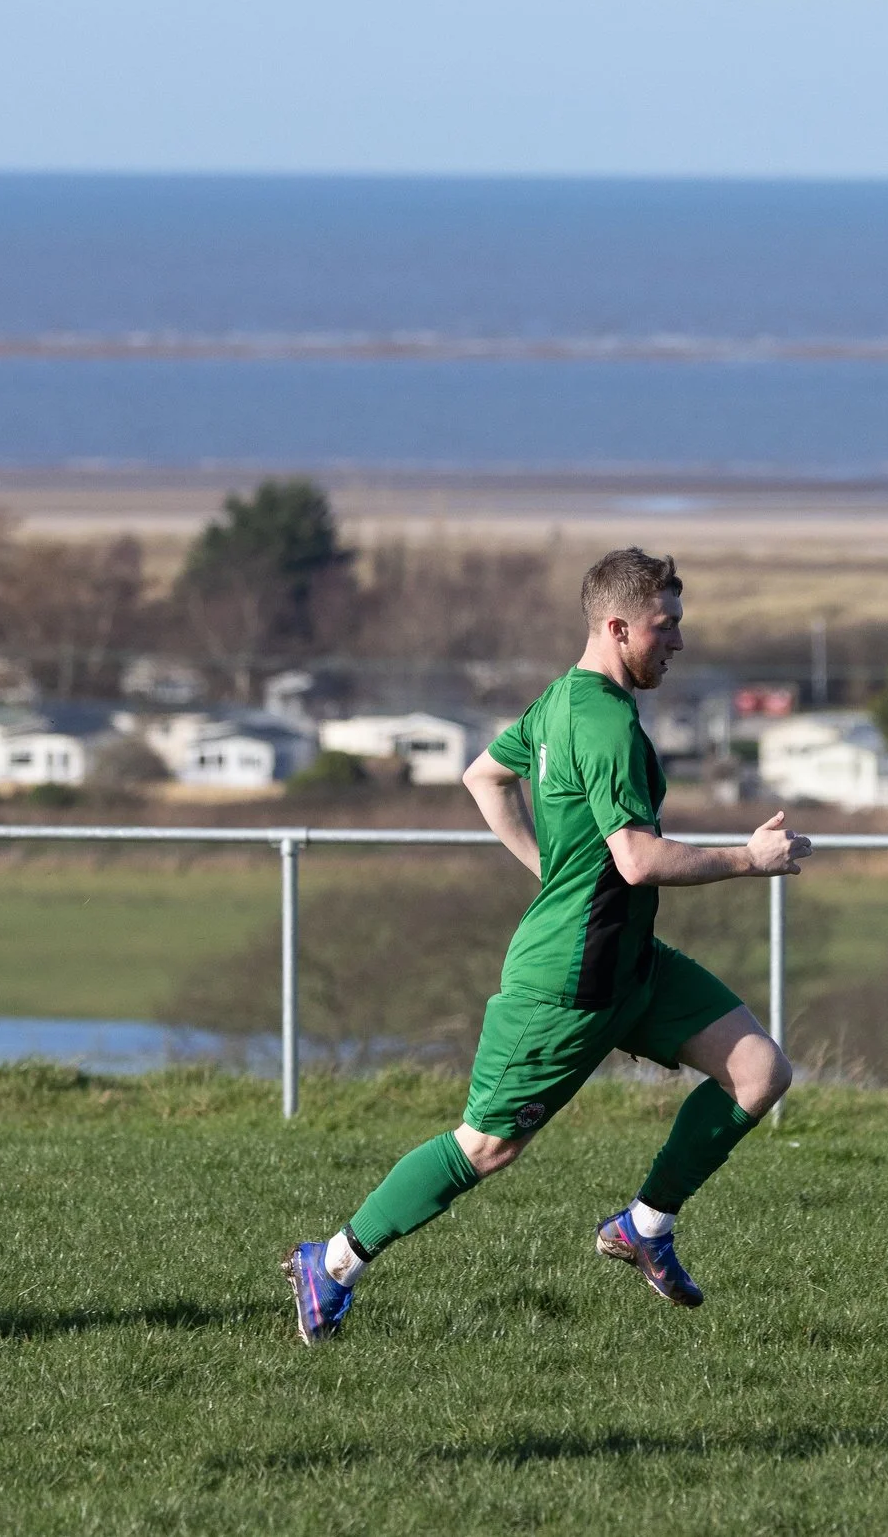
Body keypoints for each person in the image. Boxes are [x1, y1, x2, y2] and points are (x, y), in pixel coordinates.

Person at [285, 547, 809, 1343]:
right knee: (486, 1147)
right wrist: (750, 860)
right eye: (665, 627)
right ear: (618, 625)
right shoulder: (604, 724)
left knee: (759, 1072)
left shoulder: (560, 700)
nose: (677, 642)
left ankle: (645, 1227)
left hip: (630, 964)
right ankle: (330, 1266)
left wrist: (550, 869)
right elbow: (635, 859)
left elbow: (484, 777)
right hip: (567, 982)